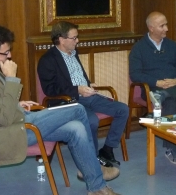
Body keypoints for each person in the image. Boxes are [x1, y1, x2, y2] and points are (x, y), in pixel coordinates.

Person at [0, 25, 120, 195]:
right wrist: (11, 79)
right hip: (6, 134)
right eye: (5, 52)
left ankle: (95, 184)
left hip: (16, 122)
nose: (10, 56)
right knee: (79, 110)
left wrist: (17, 104)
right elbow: (4, 118)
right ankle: (94, 168)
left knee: (77, 128)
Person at [37, 21, 129, 170]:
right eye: (74, 38)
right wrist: (77, 90)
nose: (77, 41)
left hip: (87, 95)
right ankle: (92, 159)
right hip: (68, 101)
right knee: (91, 119)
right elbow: (50, 89)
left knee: (122, 109)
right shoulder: (47, 60)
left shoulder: (74, 53)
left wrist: (87, 84)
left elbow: (76, 76)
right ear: (61, 39)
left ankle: (107, 150)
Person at [129, 11, 176, 165]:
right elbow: (135, 74)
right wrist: (156, 82)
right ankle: (171, 148)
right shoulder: (139, 48)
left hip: (174, 87)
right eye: (162, 26)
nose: (167, 29)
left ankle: (164, 95)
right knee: (171, 102)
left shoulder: (171, 45)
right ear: (151, 28)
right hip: (152, 89)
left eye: (166, 24)